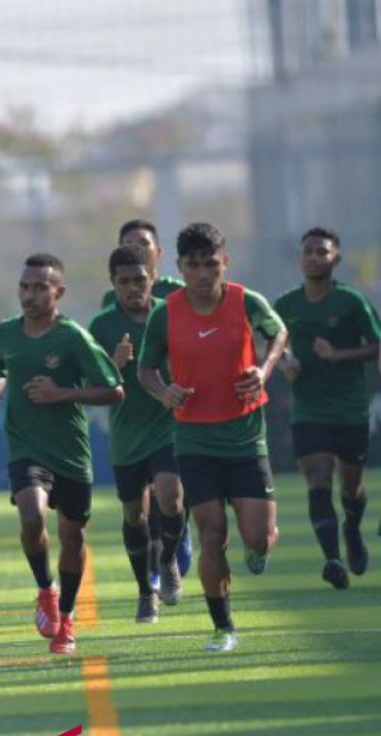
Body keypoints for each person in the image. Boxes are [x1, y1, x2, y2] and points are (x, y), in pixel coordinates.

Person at [138, 222, 287, 652]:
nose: (203, 273)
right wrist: (164, 390)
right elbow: (145, 370)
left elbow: (278, 332)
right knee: (211, 533)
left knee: (257, 536)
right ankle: (224, 627)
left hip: (244, 438)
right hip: (195, 441)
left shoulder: (246, 302)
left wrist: (264, 370)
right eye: (193, 265)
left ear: (225, 261)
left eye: (211, 263)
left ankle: (257, 552)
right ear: (179, 267)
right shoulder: (165, 313)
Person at [0, 254, 123, 655]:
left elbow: (114, 389)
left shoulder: (73, 337)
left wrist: (63, 394)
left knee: (72, 538)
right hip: (26, 447)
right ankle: (45, 590)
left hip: (71, 454)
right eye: (24, 286)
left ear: (58, 292)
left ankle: (68, 617)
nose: (29, 294)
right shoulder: (6, 333)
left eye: (40, 287)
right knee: (30, 515)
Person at [273, 227, 381, 589]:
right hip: (308, 409)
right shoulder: (285, 305)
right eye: (309, 251)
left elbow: (376, 346)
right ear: (300, 258)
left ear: (336, 258)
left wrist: (338, 355)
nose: (315, 257)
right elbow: (272, 346)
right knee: (318, 477)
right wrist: (285, 362)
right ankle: (332, 559)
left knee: (351, 487)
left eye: (323, 252)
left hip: (350, 409)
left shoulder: (351, 302)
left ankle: (352, 528)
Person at [88, 246, 186, 623]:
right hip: (127, 434)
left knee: (171, 498)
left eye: (139, 280)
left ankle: (167, 561)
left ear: (152, 278)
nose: (133, 288)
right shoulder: (101, 326)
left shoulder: (171, 315)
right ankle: (146, 592)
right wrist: (114, 364)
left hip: (168, 426)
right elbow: (90, 386)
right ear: (113, 284)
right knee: (134, 515)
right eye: (124, 282)